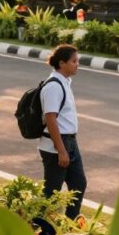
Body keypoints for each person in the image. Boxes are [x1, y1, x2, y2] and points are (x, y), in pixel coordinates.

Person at [39, 44, 86, 219]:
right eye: (74, 61)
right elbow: (50, 119)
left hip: (70, 142)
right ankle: (39, 230)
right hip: (56, 145)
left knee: (78, 184)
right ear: (61, 63)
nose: (77, 65)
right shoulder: (53, 86)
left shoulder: (65, 82)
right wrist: (61, 150)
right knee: (51, 192)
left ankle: (70, 224)